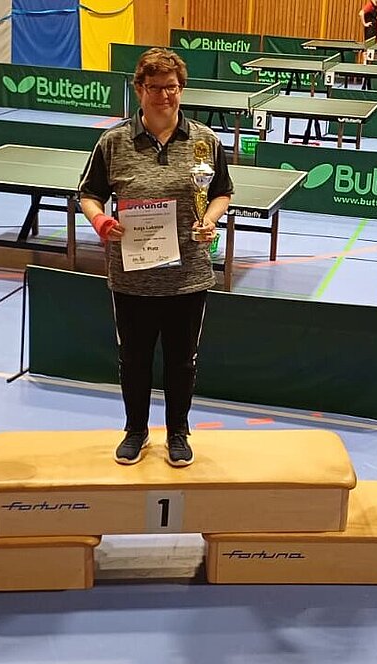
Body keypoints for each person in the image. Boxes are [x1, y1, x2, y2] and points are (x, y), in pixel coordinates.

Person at [78, 48, 233, 468]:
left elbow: (221, 191)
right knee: (134, 360)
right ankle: (136, 430)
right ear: (139, 89)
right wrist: (100, 221)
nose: (165, 95)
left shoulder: (204, 141)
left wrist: (210, 220)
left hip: (188, 276)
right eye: (155, 87)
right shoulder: (114, 142)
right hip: (132, 277)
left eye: (172, 87)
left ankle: (178, 432)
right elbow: (89, 194)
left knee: (182, 362)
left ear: (181, 89)